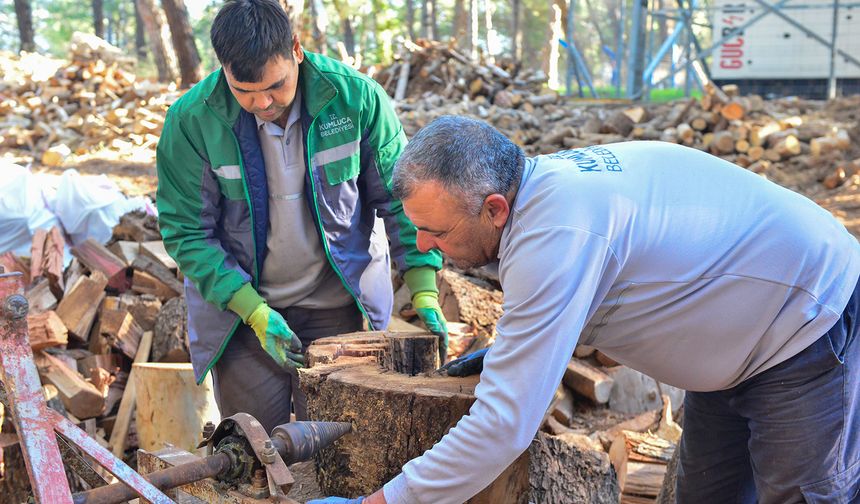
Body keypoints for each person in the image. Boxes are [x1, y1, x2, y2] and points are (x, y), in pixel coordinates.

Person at [311, 116, 860, 504]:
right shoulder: (542, 198)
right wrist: (513, 352)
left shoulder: (555, 233)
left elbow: (504, 428)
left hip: (806, 322)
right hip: (740, 336)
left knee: (802, 495)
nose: (426, 247)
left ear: (495, 208)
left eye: (437, 231)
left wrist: (381, 503)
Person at [155, 0, 446, 434]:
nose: (262, 103)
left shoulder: (354, 99)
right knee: (255, 453)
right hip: (245, 319)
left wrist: (423, 287)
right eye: (244, 91)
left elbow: (402, 197)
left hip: (339, 309)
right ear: (223, 70)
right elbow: (186, 233)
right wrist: (252, 310)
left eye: (275, 86)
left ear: (296, 49)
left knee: (342, 449)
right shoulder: (192, 122)